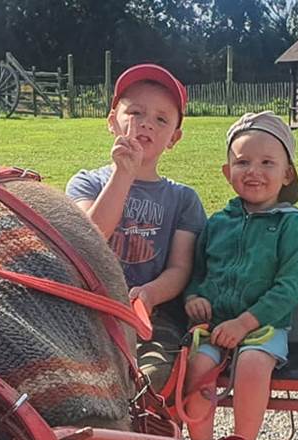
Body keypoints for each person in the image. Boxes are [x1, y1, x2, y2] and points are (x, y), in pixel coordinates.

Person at [65, 64, 207, 393]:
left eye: (161, 119)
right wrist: (123, 175)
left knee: (151, 379)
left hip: (153, 315)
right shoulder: (87, 182)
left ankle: (147, 438)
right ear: (112, 120)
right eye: (136, 112)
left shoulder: (183, 199)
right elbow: (90, 239)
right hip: (92, 310)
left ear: (174, 137)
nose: (146, 123)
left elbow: (180, 268)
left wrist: (150, 294)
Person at [179, 111, 298, 440]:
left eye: (268, 162)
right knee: (195, 366)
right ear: (228, 172)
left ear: (287, 174)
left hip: (262, 328)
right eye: (242, 162)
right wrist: (193, 298)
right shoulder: (217, 223)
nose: (254, 171)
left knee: (253, 365)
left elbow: (290, 288)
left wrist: (244, 323)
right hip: (215, 328)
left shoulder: (293, 225)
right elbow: (198, 272)